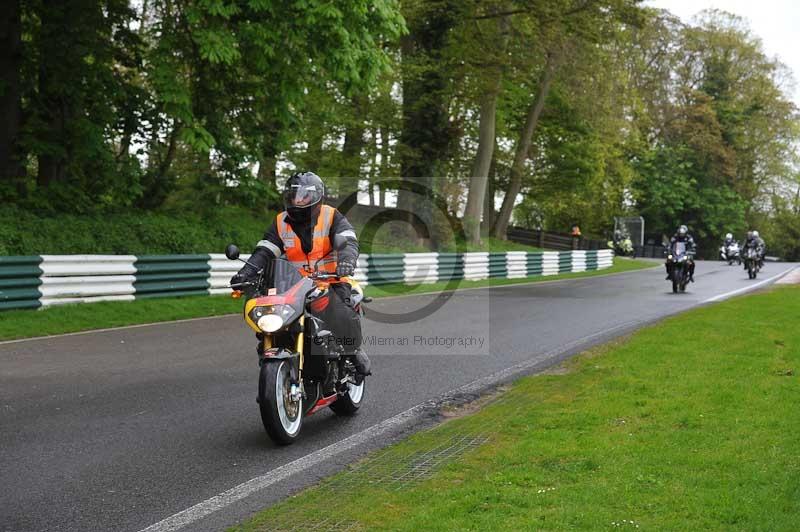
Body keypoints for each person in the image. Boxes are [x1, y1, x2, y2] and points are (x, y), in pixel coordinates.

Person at [230, 171, 370, 378]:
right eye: (293, 195)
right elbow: (265, 251)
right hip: (294, 286)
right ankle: (274, 354)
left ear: (316, 196)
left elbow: (348, 240)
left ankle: (354, 351)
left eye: (303, 196)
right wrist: (245, 273)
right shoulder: (281, 222)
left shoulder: (332, 216)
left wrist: (347, 261)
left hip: (330, 281)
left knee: (341, 312)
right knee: (269, 316)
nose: (297, 200)